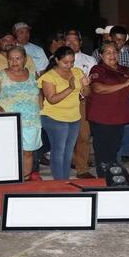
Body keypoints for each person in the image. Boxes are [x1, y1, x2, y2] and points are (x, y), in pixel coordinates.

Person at [0, 46, 43, 180]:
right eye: (11, 59)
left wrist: (40, 106)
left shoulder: (32, 74)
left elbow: (39, 91)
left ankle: (26, 179)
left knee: (28, 153)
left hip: (31, 121)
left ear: (24, 59)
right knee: (9, 154)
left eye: (18, 58)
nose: (14, 62)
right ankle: (9, 181)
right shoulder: (1, 76)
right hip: (9, 122)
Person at [38, 46, 91, 180]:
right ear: (56, 60)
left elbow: (86, 94)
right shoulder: (49, 76)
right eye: (65, 62)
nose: (69, 65)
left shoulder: (77, 71)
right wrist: (70, 88)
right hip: (53, 117)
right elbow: (52, 99)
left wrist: (86, 85)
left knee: (68, 151)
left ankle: (65, 179)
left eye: (72, 62)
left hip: (74, 116)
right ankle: (59, 182)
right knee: (58, 150)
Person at [87, 42, 129, 176]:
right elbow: (98, 89)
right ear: (101, 55)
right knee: (103, 150)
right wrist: (124, 84)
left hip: (119, 115)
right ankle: (103, 179)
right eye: (108, 52)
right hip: (102, 116)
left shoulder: (124, 69)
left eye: (115, 52)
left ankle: (112, 177)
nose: (112, 55)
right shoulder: (97, 69)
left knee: (114, 149)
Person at [65, 30, 98, 179]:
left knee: (83, 136)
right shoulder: (56, 58)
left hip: (82, 101)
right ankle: (66, 165)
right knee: (64, 136)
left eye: (74, 40)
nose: (71, 43)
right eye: (68, 40)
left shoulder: (90, 60)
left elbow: (94, 83)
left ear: (80, 42)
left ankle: (82, 169)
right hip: (62, 102)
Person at [107, 26, 129, 163]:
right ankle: (112, 151)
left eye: (122, 40)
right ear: (111, 38)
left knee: (126, 124)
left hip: (126, 94)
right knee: (111, 124)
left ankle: (126, 152)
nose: (119, 42)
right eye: (116, 39)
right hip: (107, 94)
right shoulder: (100, 52)